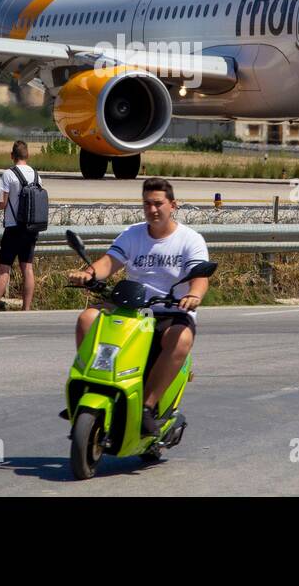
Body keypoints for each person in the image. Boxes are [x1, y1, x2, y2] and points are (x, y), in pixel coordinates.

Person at [67, 177, 210, 436]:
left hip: (171, 311)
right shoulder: (133, 234)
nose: (153, 210)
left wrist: (194, 295)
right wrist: (87, 274)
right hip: (131, 309)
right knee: (87, 319)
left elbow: (200, 277)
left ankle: (146, 406)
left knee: (181, 340)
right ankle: (92, 386)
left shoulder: (190, 240)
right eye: (147, 204)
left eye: (158, 203)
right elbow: (108, 263)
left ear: (173, 205)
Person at [0, 140, 40, 311]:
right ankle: (27, 308)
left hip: (13, 227)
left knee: (4, 268)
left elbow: (3, 203)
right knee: (27, 268)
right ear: (27, 155)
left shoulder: (8, 174)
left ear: (12, 156)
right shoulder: (36, 174)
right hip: (31, 228)